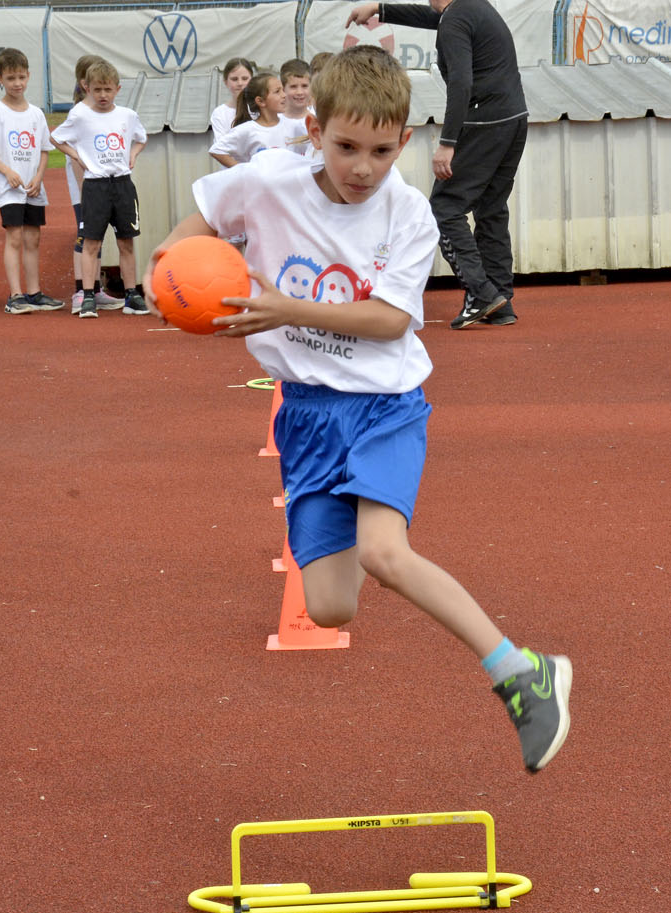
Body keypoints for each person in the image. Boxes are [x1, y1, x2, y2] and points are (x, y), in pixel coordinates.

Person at [144, 46, 571, 773]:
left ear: (403, 143)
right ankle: (514, 668)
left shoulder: (407, 215)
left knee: (384, 553)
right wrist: (172, 268)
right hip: (308, 416)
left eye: (379, 150)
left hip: (384, 405)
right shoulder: (270, 181)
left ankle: (521, 672)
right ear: (314, 130)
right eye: (345, 147)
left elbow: (388, 321)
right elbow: (201, 218)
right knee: (333, 604)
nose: (361, 167)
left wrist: (285, 306)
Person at [348, 0, 525, 328]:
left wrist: (448, 144)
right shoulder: (471, 8)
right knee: (491, 208)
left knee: (445, 208)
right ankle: (500, 301)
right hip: (514, 118)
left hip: (484, 120)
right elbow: (433, 17)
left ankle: (482, 293)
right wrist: (379, 9)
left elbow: (461, 82)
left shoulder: (455, 19)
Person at [50, 57, 149, 318]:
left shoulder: (128, 115)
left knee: (126, 242)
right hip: (95, 186)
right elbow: (56, 137)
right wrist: (78, 156)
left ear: (117, 89)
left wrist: (134, 155)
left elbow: (141, 138)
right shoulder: (80, 115)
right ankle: (88, 296)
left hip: (123, 184)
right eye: (97, 90)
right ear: (87, 89)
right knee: (91, 242)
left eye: (107, 89)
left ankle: (131, 296)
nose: (103, 95)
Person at [0, 48, 61, 315]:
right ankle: (15, 295)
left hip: (33, 187)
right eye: (11, 78)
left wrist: (38, 176)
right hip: (9, 188)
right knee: (14, 238)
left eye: (22, 77)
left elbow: (44, 150)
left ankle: (34, 292)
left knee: (33, 238)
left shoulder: (36, 114)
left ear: (29, 76)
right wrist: (7, 172)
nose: (17, 83)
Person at [208, 72, 308, 168]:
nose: (284, 95)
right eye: (277, 91)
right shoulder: (247, 130)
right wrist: (243, 170)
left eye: (282, 90)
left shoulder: (295, 126)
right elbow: (216, 150)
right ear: (260, 101)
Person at [210, 57, 254, 138]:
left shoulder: (261, 108)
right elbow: (221, 147)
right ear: (226, 82)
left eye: (245, 79)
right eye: (234, 79)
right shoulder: (220, 113)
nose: (240, 83)